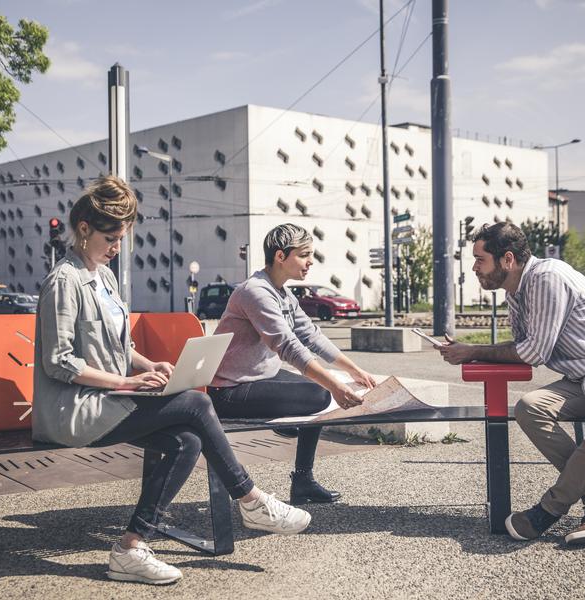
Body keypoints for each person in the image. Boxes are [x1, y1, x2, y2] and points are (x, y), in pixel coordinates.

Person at [33, 176, 311, 586]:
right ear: (84, 229)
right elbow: (59, 363)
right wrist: (129, 384)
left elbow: (120, 346)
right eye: (110, 238)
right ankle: (251, 501)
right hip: (76, 411)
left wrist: (152, 364)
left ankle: (130, 546)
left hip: (108, 401)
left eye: (122, 239)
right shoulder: (65, 281)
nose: (116, 248)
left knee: (188, 440)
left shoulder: (105, 278)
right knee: (197, 405)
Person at [438, 222, 585, 545]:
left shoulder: (546, 277)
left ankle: (548, 510)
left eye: (480, 259)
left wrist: (471, 350)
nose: (474, 267)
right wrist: (468, 350)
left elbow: (532, 351)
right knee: (530, 408)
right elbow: (523, 345)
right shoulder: (516, 293)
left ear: (507, 259)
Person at [208, 223, 377, 505]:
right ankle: (298, 459)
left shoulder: (283, 294)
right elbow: (287, 346)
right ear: (280, 256)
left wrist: (354, 371)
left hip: (262, 379)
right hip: (229, 390)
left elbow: (311, 336)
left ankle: (303, 483)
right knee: (321, 393)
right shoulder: (255, 292)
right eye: (304, 254)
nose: (311, 261)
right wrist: (333, 385)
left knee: (320, 388)